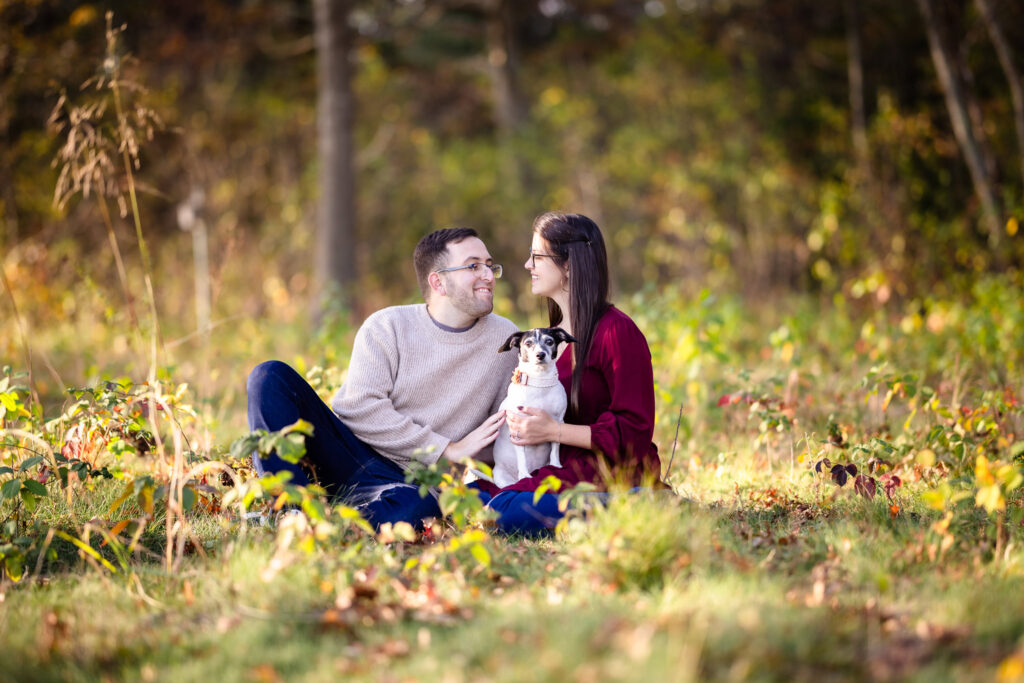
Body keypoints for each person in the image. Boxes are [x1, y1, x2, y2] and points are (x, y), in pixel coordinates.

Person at [246, 227, 518, 528]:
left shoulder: (506, 340)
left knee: (420, 507)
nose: (489, 275)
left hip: (411, 484)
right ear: (437, 281)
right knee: (270, 376)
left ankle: (326, 524)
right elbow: (359, 408)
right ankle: (289, 510)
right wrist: (445, 449)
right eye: (473, 266)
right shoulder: (388, 326)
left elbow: (507, 429)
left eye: (490, 265)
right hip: (346, 454)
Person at [470, 211, 667, 534]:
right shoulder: (547, 341)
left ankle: (638, 502)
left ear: (569, 265)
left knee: (502, 512)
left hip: (607, 469)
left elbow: (635, 432)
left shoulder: (617, 333)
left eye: (537, 256)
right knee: (470, 496)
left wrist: (554, 432)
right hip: (557, 464)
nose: (527, 265)